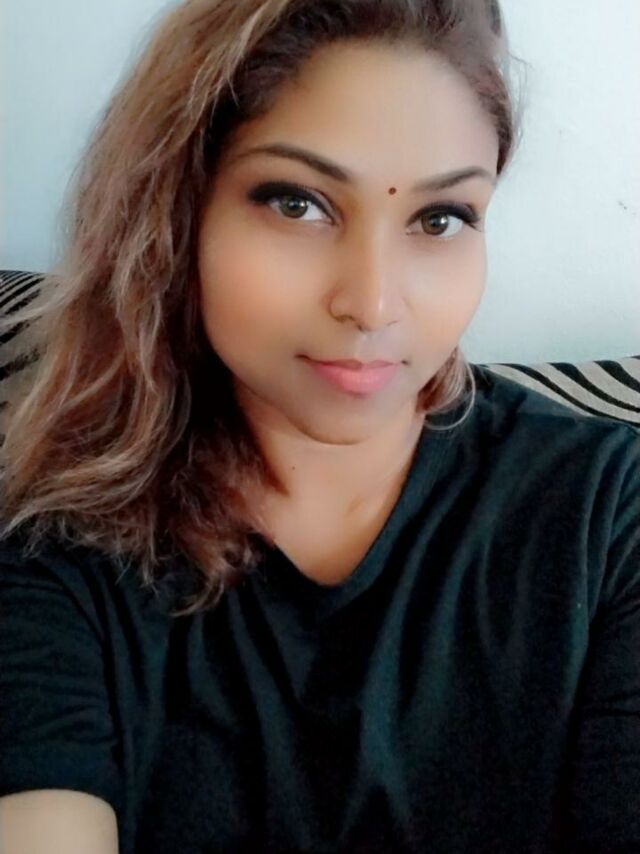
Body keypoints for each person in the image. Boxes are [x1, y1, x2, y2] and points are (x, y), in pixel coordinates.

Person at [0, 1, 638, 852]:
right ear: (177, 212)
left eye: (440, 219)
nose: (371, 303)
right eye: (298, 204)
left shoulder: (608, 514)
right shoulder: (58, 550)